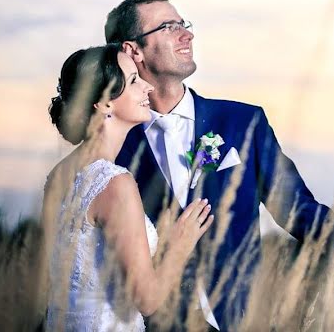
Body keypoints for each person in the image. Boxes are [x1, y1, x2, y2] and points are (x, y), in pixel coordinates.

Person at [107, 0, 334, 330]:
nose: (188, 33)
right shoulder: (113, 148)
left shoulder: (243, 123)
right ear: (132, 50)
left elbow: (301, 213)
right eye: (168, 27)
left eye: (183, 23)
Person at [42, 44, 215, 331]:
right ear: (104, 102)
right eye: (134, 79)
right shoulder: (114, 183)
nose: (147, 86)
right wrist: (180, 244)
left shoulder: (59, 175)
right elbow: (147, 301)